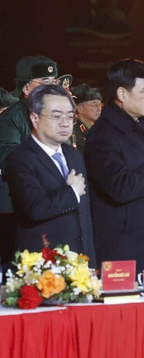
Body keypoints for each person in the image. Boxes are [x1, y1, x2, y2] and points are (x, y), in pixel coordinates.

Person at [85, 59, 144, 274]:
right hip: (124, 249)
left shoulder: (140, 126)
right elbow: (121, 187)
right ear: (122, 94)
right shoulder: (104, 135)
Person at [5, 85, 95, 265]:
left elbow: (84, 218)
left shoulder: (74, 155)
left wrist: (90, 263)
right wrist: (71, 192)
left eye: (70, 116)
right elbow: (35, 208)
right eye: (56, 116)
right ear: (35, 118)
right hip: (42, 265)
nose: (65, 122)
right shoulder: (20, 158)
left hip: (79, 265)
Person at [70, 83, 102, 154]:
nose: (99, 109)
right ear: (79, 108)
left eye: (100, 105)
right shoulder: (72, 132)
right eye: (95, 105)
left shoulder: (101, 129)